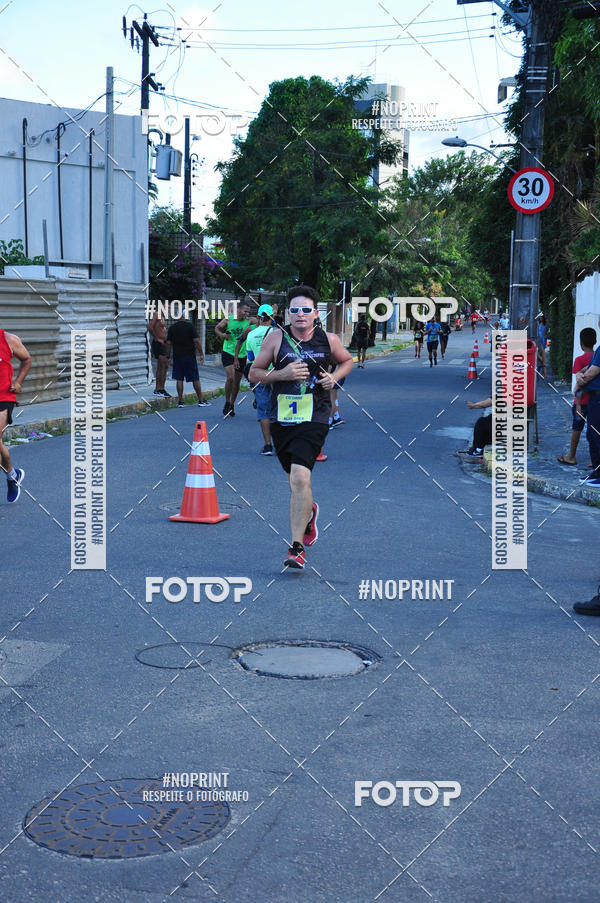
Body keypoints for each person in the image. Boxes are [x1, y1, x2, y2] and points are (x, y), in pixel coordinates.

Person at [249, 285, 353, 569]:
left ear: (315, 313)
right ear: (287, 314)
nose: (300, 315)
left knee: (298, 478)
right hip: (282, 418)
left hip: (316, 417)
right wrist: (281, 373)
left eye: (306, 309)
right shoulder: (275, 339)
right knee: (295, 479)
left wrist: (334, 378)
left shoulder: (328, 340)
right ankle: (309, 512)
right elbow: (254, 372)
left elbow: (347, 361)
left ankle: (296, 548)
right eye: (294, 310)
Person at [557, 327, 596, 468]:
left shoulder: (579, 360)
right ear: (595, 341)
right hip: (594, 402)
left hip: (581, 401)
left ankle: (571, 456)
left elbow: (579, 386)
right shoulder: (596, 357)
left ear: (580, 343)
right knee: (594, 431)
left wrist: (578, 404)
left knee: (576, 429)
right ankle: (595, 459)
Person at [0, 329, 31, 502]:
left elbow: (26, 359)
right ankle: (12, 474)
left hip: (4, 397)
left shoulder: (9, 340)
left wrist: (18, 382)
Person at [242, 304, 276, 455]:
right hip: (276, 375)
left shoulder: (251, 334)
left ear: (258, 318)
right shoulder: (277, 333)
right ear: (272, 317)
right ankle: (282, 442)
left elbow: (250, 359)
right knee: (280, 408)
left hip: (259, 376)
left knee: (263, 410)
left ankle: (268, 445)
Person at [215, 300, 256, 417]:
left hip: (242, 354)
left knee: (237, 382)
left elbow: (261, 321)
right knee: (230, 378)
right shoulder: (229, 320)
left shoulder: (249, 321)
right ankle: (227, 402)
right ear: (238, 310)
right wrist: (222, 335)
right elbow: (217, 328)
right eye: (245, 311)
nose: (246, 314)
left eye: (248, 312)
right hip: (228, 352)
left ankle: (232, 404)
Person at [574, 314, 600, 489]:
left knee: (595, 435)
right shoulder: (598, 350)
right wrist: (580, 375)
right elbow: (588, 367)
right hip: (593, 398)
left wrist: (580, 381)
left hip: (597, 398)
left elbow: (591, 372)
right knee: (593, 434)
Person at [165, 314, 209, 407]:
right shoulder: (190, 326)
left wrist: (168, 356)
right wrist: (201, 353)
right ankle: (201, 400)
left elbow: (169, 343)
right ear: (185, 316)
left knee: (179, 378)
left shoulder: (172, 328)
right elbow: (196, 341)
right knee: (195, 378)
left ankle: (180, 401)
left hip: (177, 356)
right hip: (189, 356)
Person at [146, 312, 170, 397]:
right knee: (163, 366)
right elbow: (149, 326)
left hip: (163, 343)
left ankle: (159, 389)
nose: (168, 309)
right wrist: (156, 338)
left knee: (163, 366)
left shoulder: (162, 317)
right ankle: (160, 389)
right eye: (166, 307)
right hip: (159, 344)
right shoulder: (157, 314)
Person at [537, 313, 548, 379]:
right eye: (539, 317)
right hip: (539, 340)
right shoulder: (537, 324)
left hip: (543, 340)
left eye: (541, 317)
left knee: (541, 357)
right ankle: (544, 373)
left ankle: (544, 373)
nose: (540, 318)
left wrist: (546, 336)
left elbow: (546, 333)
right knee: (540, 357)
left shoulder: (545, 325)